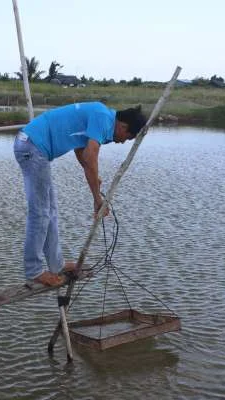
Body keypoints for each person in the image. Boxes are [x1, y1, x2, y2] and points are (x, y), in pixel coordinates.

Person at [13, 102, 147, 286]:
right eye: (127, 137)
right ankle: (34, 270)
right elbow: (90, 156)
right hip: (33, 148)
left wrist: (92, 175)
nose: (123, 141)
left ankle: (56, 264)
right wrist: (97, 200)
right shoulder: (103, 118)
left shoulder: (102, 115)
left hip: (34, 148)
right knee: (40, 213)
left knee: (50, 211)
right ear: (123, 126)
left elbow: (81, 149)